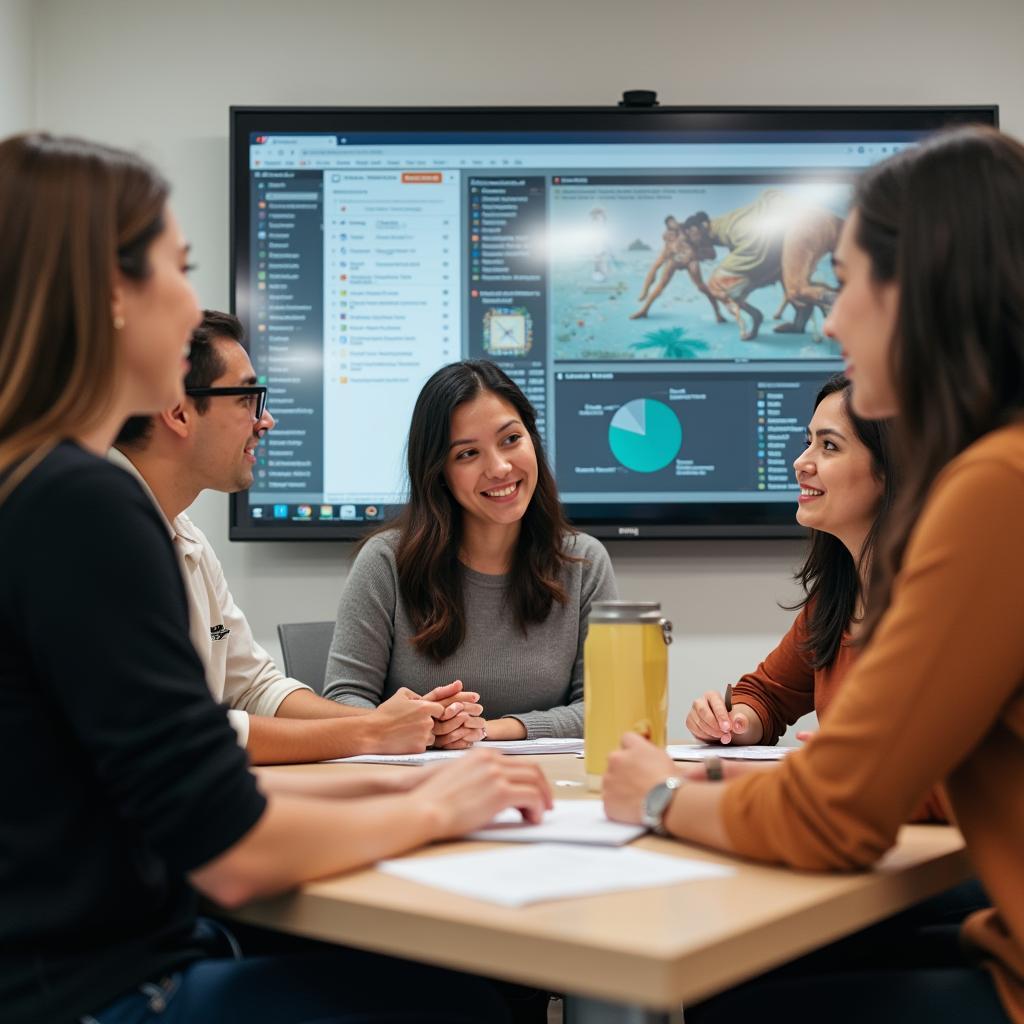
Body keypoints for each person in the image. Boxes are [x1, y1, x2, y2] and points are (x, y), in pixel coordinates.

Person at [0, 132, 551, 1024]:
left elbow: (199, 749)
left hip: (87, 962)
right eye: (180, 267)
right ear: (109, 295)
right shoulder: (81, 506)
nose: (193, 304)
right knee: (468, 1006)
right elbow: (232, 849)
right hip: (105, 992)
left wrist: (382, 759)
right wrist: (440, 803)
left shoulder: (45, 488)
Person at [603, 126, 1024, 1023]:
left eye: (846, 280)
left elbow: (833, 815)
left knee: (732, 992)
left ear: (919, 293)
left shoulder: (997, 489)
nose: (828, 319)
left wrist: (658, 796)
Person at [113, 309, 482, 764]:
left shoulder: (184, 538)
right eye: (249, 398)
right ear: (178, 412)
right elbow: (179, 727)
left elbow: (253, 687)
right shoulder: (98, 536)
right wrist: (369, 732)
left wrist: (398, 723)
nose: (266, 422)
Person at [324, 359, 618, 742]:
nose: (499, 468)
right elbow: (344, 699)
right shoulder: (386, 561)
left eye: (511, 439)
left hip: (549, 787)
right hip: (417, 788)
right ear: (438, 472)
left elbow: (607, 707)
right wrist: (425, 731)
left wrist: (486, 731)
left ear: (533, 438)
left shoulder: (583, 562)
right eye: (467, 454)